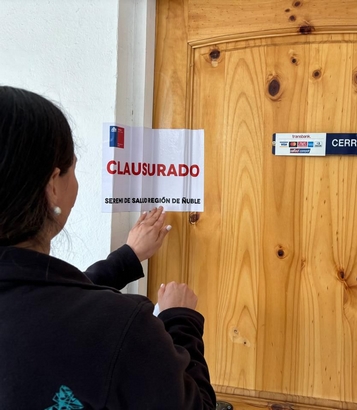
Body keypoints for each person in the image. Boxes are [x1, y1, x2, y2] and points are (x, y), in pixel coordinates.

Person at [0, 86, 216, 409]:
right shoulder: (124, 328)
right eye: (73, 168)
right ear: (53, 186)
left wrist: (126, 259)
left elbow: (40, 300)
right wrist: (181, 321)